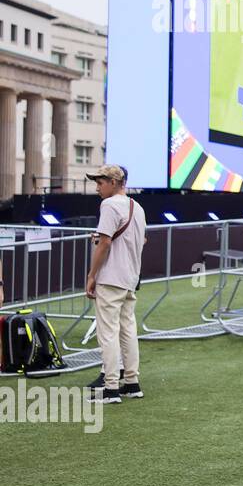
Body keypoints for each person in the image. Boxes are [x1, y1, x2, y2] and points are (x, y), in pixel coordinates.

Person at [84, 165, 147, 404]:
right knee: (128, 331)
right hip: (130, 278)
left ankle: (110, 388)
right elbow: (142, 239)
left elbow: (106, 244)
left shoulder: (109, 205)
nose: (97, 188)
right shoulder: (137, 207)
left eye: (100, 183)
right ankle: (131, 383)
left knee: (108, 333)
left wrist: (92, 275)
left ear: (113, 182)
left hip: (111, 278)